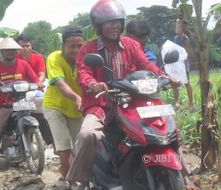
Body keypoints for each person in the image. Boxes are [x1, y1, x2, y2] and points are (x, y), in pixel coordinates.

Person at [65, 0, 177, 188]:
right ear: (98, 26)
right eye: (108, 22)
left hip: (133, 103)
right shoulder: (88, 49)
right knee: (88, 134)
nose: (114, 26)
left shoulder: (131, 45)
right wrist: (93, 84)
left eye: (117, 21)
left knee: (167, 128)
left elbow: (146, 65)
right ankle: (81, 179)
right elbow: (84, 72)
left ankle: (181, 171)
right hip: (102, 104)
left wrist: (165, 76)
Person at [0, 37, 40, 172]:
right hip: (3, 104)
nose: (10, 52)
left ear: (16, 51)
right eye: (6, 50)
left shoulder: (24, 64)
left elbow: (35, 78)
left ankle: (47, 147)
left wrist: (39, 83)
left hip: (21, 102)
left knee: (41, 119)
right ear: (2, 52)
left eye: (12, 50)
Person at [42, 26, 84, 180]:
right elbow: (59, 83)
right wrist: (76, 98)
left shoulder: (86, 60)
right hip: (55, 106)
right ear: (63, 46)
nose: (76, 50)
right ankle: (70, 182)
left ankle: (69, 174)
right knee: (64, 147)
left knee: (81, 146)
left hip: (76, 109)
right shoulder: (54, 58)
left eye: (80, 46)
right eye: (72, 46)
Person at [15, 34, 54, 146]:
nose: (25, 48)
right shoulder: (15, 60)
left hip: (36, 89)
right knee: (19, 115)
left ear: (31, 46)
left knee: (43, 117)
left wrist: (38, 83)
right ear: (17, 48)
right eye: (22, 46)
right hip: (20, 92)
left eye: (28, 45)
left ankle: (54, 144)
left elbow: (42, 74)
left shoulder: (39, 57)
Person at [172, 19, 194, 110]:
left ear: (183, 28)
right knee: (174, 83)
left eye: (178, 26)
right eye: (176, 26)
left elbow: (187, 52)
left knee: (186, 83)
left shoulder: (185, 38)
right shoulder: (175, 38)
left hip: (184, 64)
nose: (177, 28)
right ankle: (176, 102)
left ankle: (191, 103)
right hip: (176, 63)